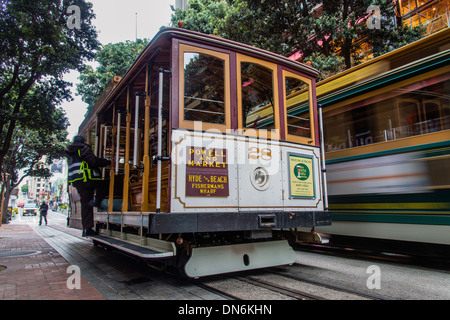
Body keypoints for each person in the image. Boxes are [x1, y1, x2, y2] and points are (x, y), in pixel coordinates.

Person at [65, 135, 111, 237]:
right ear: (82, 141)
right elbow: (93, 161)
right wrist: (108, 162)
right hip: (87, 178)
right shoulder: (83, 149)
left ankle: (87, 229)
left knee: (85, 204)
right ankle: (96, 201)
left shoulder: (70, 153)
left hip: (77, 181)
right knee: (106, 183)